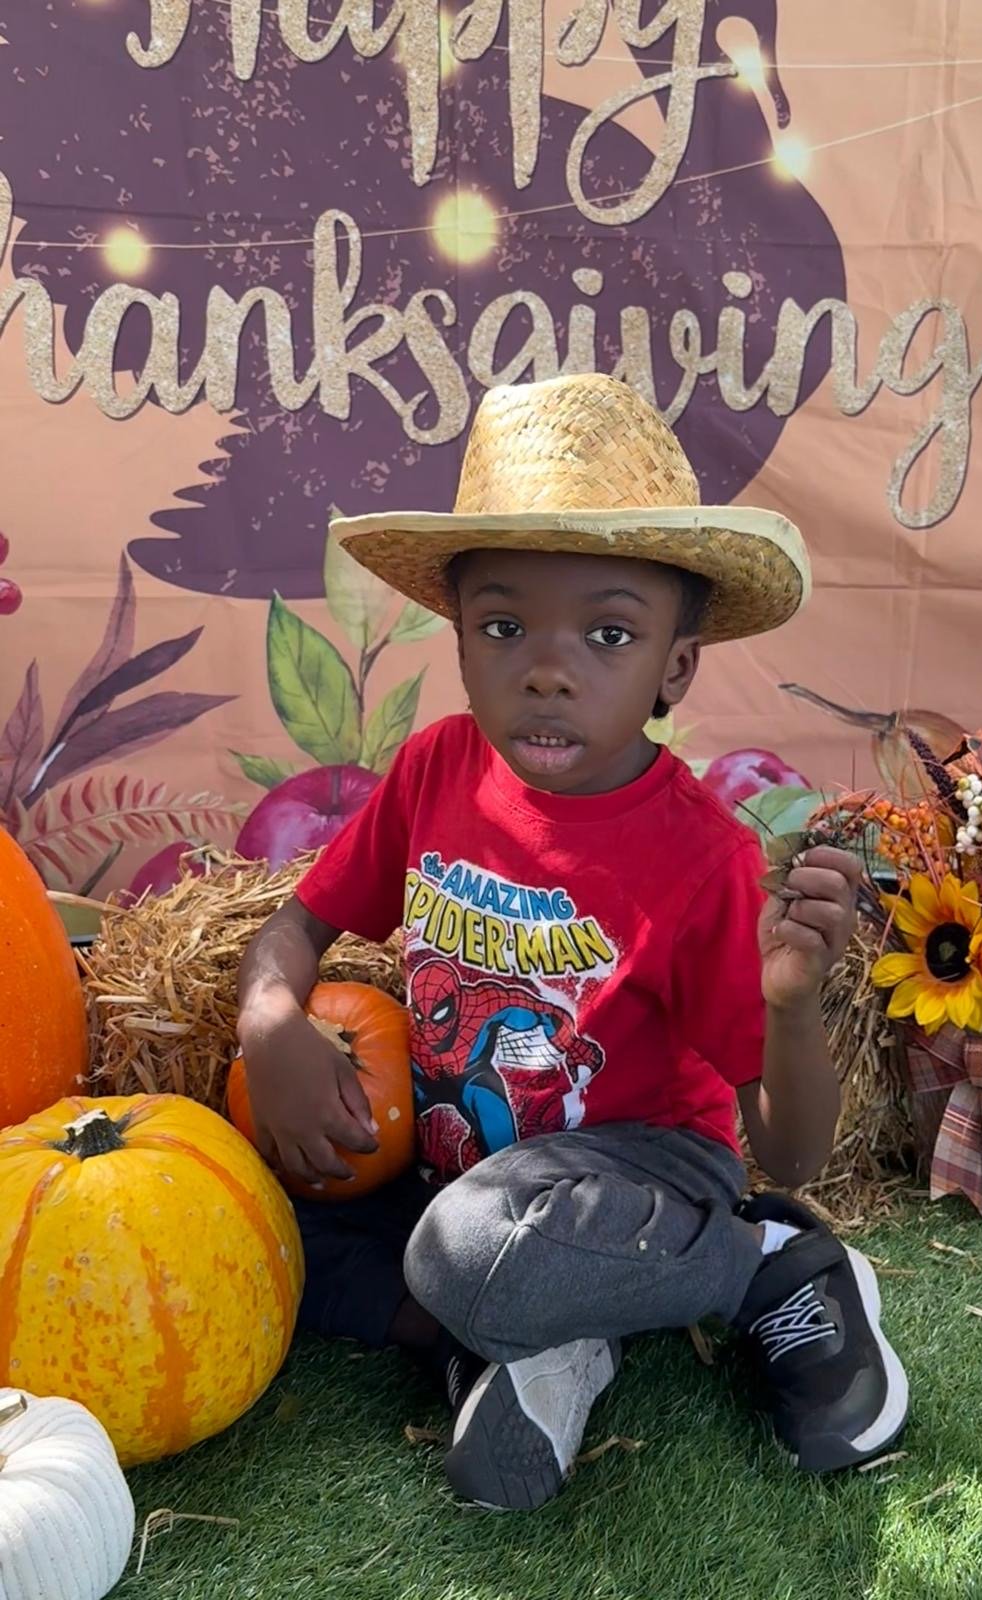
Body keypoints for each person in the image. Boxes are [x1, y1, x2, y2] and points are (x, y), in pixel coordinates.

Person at [236, 372, 909, 1511]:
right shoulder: (436, 768)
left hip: (641, 1172)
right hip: (471, 1172)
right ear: (459, 639)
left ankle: (764, 1270)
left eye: (608, 633)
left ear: (674, 668)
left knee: (459, 1250)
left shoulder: (698, 853)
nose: (549, 668)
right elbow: (297, 926)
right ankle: (523, 1347)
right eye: (506, 625)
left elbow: (787, 1151)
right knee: (262, 1237)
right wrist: (270, 1022)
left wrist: (792, 1008)